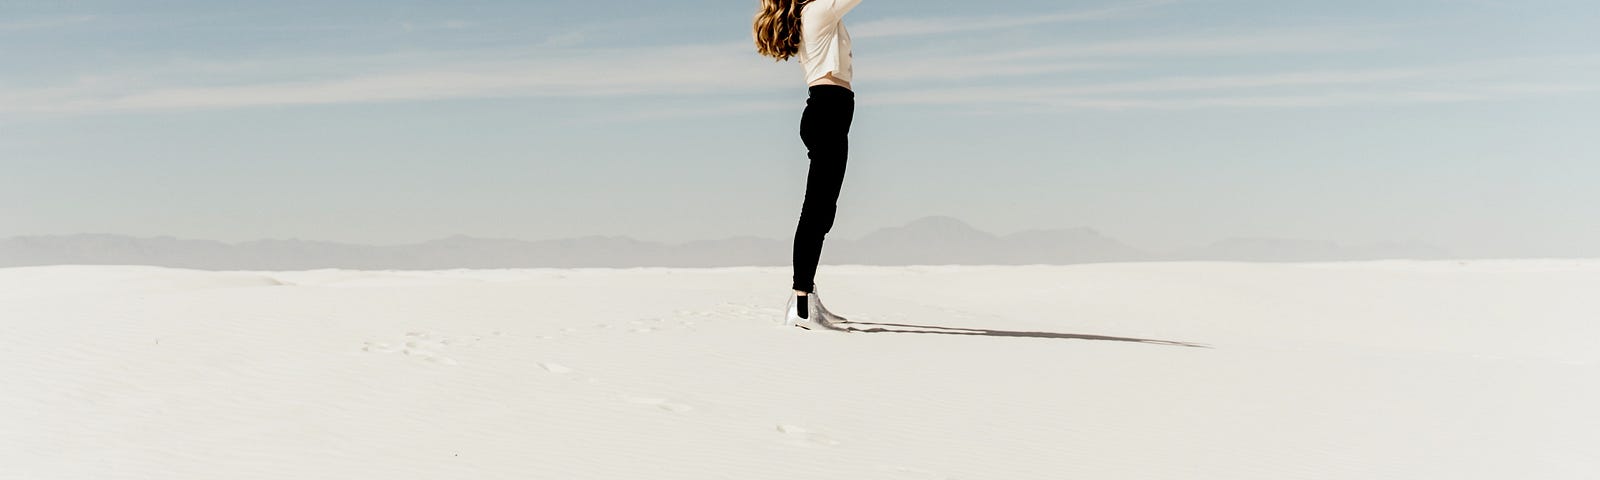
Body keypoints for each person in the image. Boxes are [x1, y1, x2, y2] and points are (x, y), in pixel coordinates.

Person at [753, 0, 861, 331]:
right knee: (816, 211)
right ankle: (800, 304)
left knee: (822, 210)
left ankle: (807, 297)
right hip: (828, 113)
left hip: (829, 112)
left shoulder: (814, 12)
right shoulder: (816, 11)